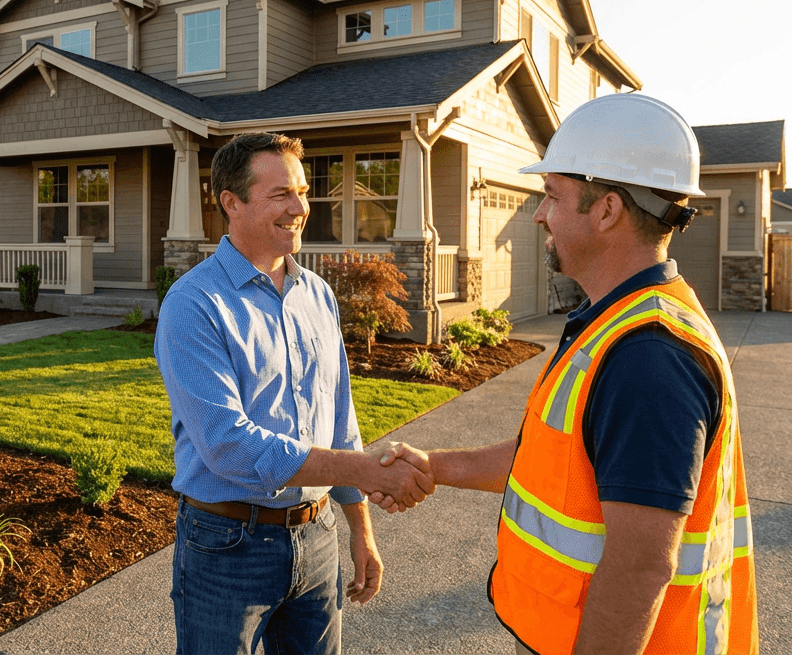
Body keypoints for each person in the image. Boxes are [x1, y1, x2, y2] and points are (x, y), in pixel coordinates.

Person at [371, 94, 759, 654]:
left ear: (606, 211)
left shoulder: (649, 355)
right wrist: (435, 467)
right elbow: (557, 460)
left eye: (552, 196)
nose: (538, 213)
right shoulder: (617, 322)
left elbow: (640, 567)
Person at [155, 132, 433, 655]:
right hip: (226, 546)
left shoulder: (317, 294)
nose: (302, 207)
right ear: (231, 203)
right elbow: (227, 445)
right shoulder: (194, 303)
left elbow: (339, 419)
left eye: (303, 191)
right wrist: (365, 471)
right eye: (281, 193)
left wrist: (360, 527)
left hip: (318, 535)